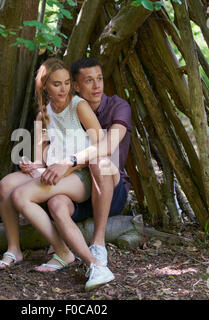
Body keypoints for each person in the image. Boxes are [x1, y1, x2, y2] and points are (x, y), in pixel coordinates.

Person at [0, 58, 115, 291]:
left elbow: (101, 146)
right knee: (6, 185)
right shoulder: (43, 115)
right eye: (57, 84)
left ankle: (74, 257)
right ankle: (14, 249)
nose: (64, 89)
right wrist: (31, 167)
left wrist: (67, 164)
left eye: (67, 83)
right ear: (44, 86)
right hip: (57, 175)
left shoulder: (79, 106)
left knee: (21, 196)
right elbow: (41, 162)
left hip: (82, 176)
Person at [40, 58, 132, 290]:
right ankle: (81, 260)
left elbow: (107, 147)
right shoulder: (66, 108)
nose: (97, 86)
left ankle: (98, 242)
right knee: (56, 202)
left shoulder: (118, 106)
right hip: (79, 191)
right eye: (89, 81)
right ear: (76, 86)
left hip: (111, 190)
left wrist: (68, 162)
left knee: (98, 161)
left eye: (99, 79)